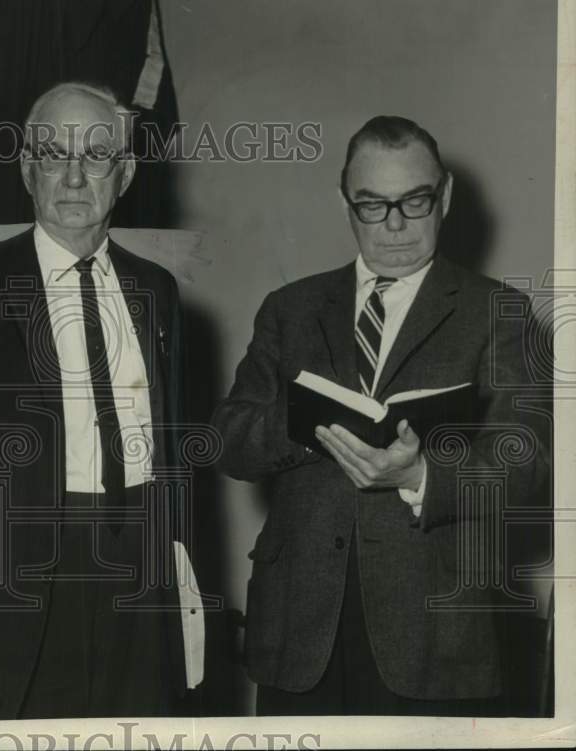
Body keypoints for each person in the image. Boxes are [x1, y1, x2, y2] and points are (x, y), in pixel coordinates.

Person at [0, 82, 201, 719]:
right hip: (7, 591)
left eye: (97, 155)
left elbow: (173, 448)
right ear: (27, 169)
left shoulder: (157, 291)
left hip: (139, 575)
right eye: (53, 154)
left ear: (125, 173)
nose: (74, 177)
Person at [212, 116, 548, 715]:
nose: (394, 226)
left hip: (434, 635)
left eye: (414, 202)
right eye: (372, 205)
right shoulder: (290, 310)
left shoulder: (497, 311)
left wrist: (422, 476)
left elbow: (527, 466)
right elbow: (231, 441)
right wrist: (307, 420)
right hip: (300, 631)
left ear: (444, 196)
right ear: (345, 202)